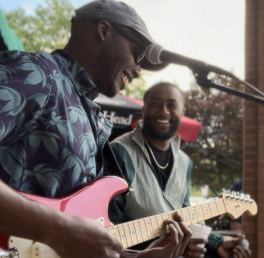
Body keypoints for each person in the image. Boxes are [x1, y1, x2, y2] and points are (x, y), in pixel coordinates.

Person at [0, 0, 191, 258]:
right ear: (104, 31)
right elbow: (64, 232)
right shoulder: (38, 74)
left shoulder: (90, 116)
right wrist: (57, 230)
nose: (139, 71)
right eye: (138, 54)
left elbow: (74, 239)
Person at [107, 82, 251, 258]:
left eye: (172, 105)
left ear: (182, 113)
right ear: (144, 111)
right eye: (155, 103)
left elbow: (185, 216)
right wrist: (170, 245)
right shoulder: (118, 152)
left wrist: (218, 243)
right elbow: (109, 228)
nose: (164, 111)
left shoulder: (185, 162)